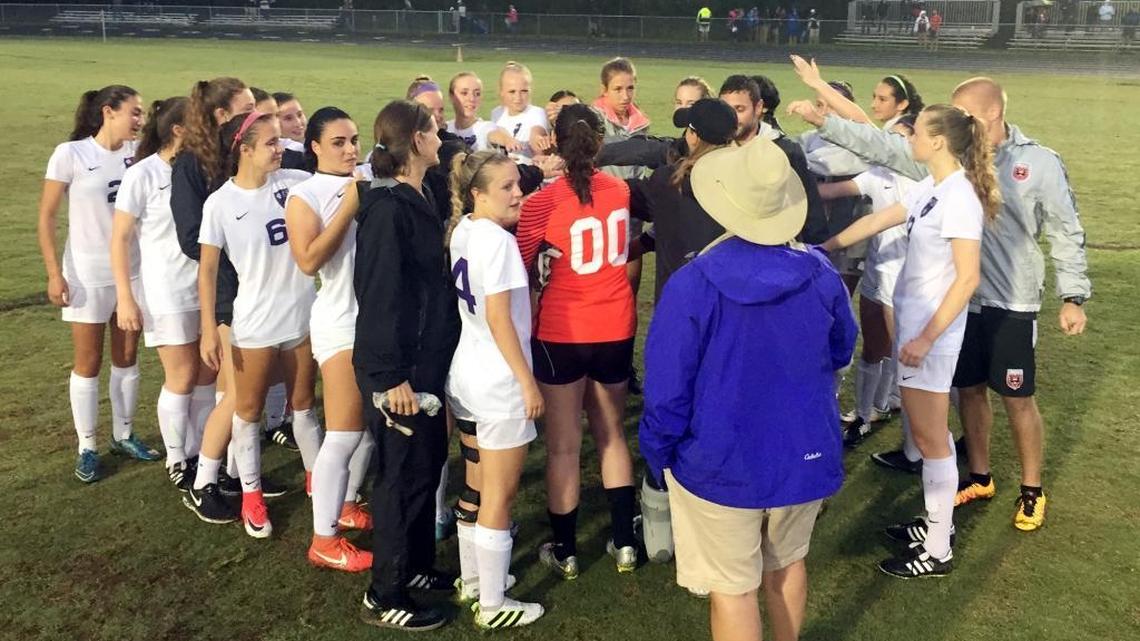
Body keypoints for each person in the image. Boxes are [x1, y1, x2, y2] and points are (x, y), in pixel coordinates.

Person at [807, 77, 1092, 532]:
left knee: (1017, 397)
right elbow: (884, 151)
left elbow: (1064, 229)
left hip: (1008, 301)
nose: (957, 119)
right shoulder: (945, 172)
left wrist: (1072, 296)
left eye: (964, 113)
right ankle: (979, 476)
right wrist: (826, 119)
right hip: (960, 307)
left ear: (991, 114)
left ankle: (1031, 489)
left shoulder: (1035, 163)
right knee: (970, 391)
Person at [641, 138, 856, 641]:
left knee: (734, 588)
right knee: (787, 563)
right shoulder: (820, 273)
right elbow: (841, 350)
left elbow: (668, 390)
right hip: (802, 451)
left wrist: (658, 451)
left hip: (718, 461)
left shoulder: (694, 283)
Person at [823, 104, 998, 577]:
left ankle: (938, 549)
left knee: (931, 439)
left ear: (938, 141)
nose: (911, 139)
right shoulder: (932, 188)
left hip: (930, 339)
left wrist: (924, 338)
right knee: (931, 436)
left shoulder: (960, 197)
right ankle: (935, 525)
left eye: (918, 132)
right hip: (919, 332)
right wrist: (826, 249)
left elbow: (967, 280)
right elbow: (878, 221)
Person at [515, 104, 639, 579]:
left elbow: (524, 261)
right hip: (614, 326)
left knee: (565, 446)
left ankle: (565, 550)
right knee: (611, 434)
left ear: (554, 144)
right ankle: (624, 544)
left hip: (562, 331)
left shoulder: (544, 202)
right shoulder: (620, 189)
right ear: (599, 143)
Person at [355, 100, 459, 631]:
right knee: (398, 476)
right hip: (398, 370)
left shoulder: (421, 191)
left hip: (425, 362)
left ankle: (416, 565)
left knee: (426, 464)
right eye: (434, 131)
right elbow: (378, 296)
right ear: (415, 141)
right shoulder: (387, 208)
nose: (441, 137)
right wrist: (391, 376)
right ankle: (385, 591)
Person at [174, 78, 293, 526]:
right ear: (223, 117)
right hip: (231, 293)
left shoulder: (249, 163)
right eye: (247, 107)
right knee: (237, 392)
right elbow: (193, 238)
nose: (256, 111)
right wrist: (237, 259)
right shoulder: (191, 166)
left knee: (246, 393)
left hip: (254, 290)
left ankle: (237, 477)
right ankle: (204, 481)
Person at [197, 111, 316, 539]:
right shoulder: (221, 204)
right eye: (270, 142)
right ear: (244, 150)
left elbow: (345, 186)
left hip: (301, 317)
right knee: (247, 414)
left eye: (280, 141)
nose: (279, 149)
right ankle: (251, 495)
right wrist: (210, 329)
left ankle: (317, 481)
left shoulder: (295, 183)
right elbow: (207, 270)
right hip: (254, 325)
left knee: (303, 406)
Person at [38, 85, 160, 484]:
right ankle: (87, 445)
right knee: (88, 363)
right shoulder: (71, 154)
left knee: (127, 357)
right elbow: (47, 218)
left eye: (142, 114)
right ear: (109, 112)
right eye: (134, 112)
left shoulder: (138, 154)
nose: (140, 121)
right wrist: (55, 273)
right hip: (86, 273)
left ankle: (124, 434)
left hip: (133, 272)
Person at [445, 150, 545, 629]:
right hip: (498, 384)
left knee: (478, 486)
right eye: (505, 187)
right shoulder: (500, 244)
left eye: (517, 184)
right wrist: (528, 382)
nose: (518, 193)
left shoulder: (463, 229)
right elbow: (501, 318)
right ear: (478, 194)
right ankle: (492, 603)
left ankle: (471, 582)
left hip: (465, 375)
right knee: (498, 499)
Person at [283, 107, 375, 571]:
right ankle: (324, 540)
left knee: (365, 432)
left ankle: (342, 506)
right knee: (341, 434)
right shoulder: (305, 195)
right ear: (315, 147)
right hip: (340, 323)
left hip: (374, 322)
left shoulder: (366, 181)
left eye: (354, 139)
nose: (350, 149)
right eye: (338, 142)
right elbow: (308, 260)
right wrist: (349, 206)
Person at [110, 96, 214, 492]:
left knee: (208, 373)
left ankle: (203, 452)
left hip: (203, 285)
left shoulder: (202, 169)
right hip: (166, 289)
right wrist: (125, 296)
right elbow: (119, 239)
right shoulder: (143, 175)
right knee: (182, 375)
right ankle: (177, 458)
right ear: (178, 130)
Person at [491, 62, 550, 164]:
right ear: (501, 92)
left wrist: (538, 146)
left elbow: (536, 132)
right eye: (512, 92)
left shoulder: (537, 113)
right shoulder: (497, 113)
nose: (518, 97)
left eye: (524, 91)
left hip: (529, 173)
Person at [447, 72, 519, 153]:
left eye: (477, 94)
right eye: (464, 93)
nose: (472, 99)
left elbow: (494, 134)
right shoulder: (446, 128)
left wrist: (507, 140)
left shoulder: (484, 127)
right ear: (451, 96)